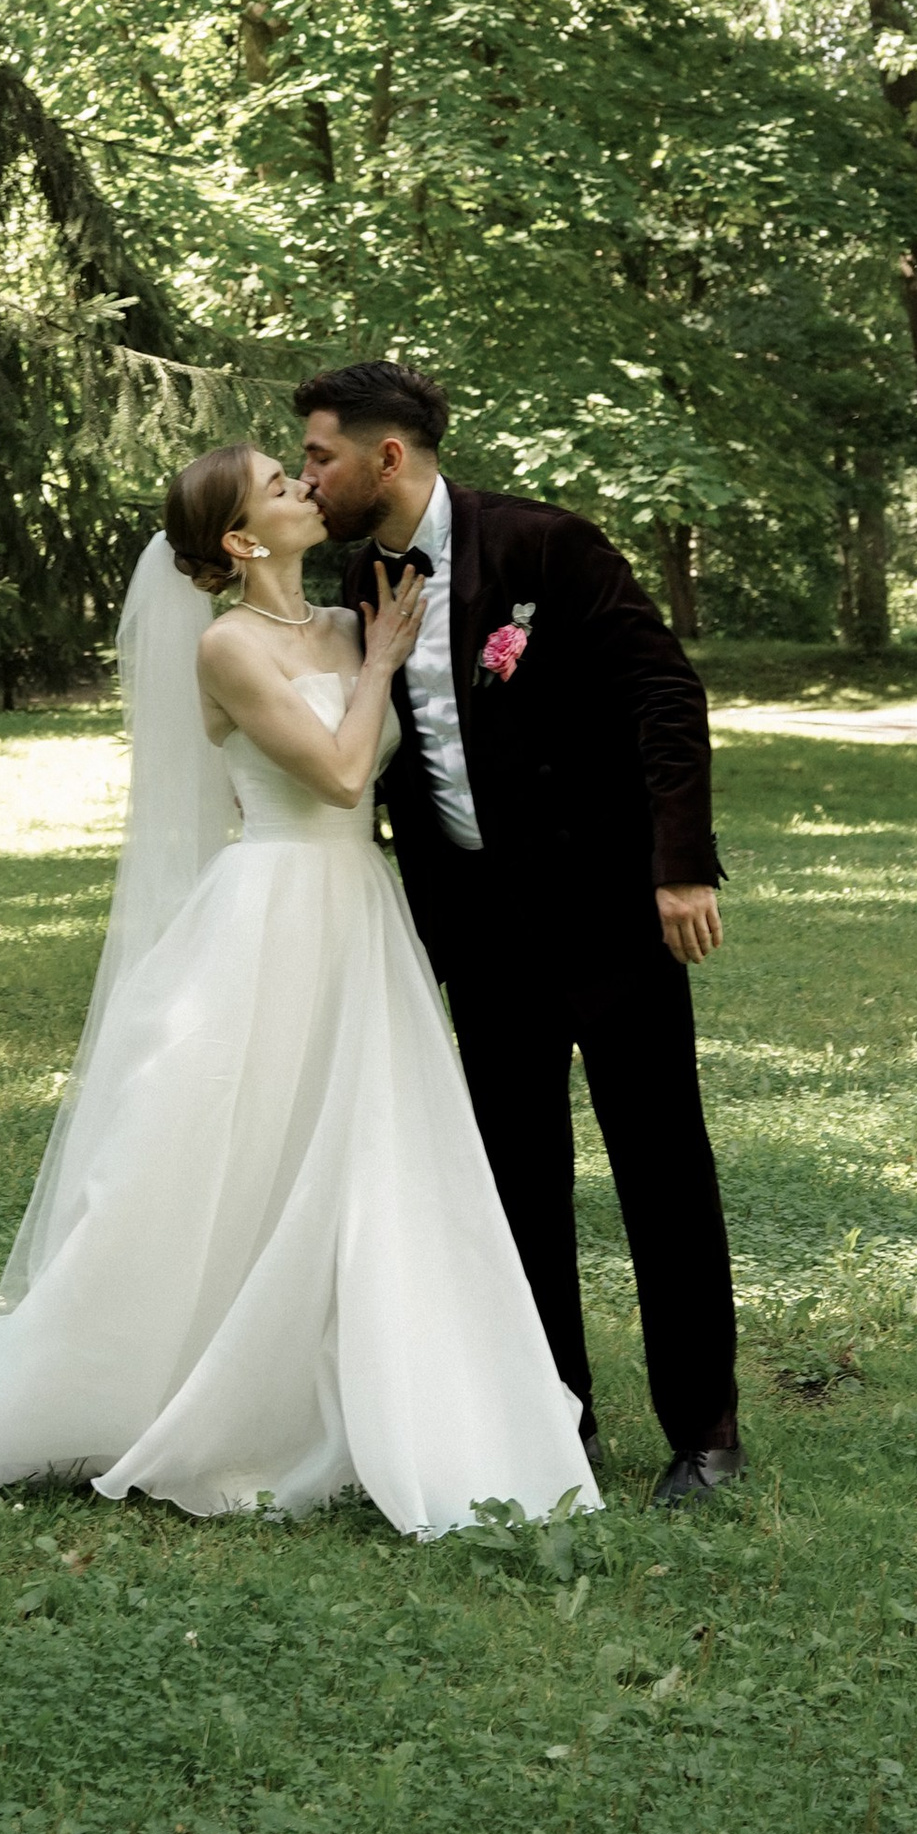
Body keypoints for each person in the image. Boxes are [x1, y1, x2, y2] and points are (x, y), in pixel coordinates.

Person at [0, 441, 599, 1535]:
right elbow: (340, 772)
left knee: (375, 1144)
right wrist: (375, 671)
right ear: (236, 539)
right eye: (280, 486)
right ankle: (193, 1377)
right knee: (240, 1148)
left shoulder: (354, 620)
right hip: (270, 910)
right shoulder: (227, 649)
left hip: (360, 911)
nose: (307, 489)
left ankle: (376, 1376)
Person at [295, 359, 742, 1504]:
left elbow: (663, 694)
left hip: (610, 917)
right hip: (476, 931)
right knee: (513, 1180)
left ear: (386, 457)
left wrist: (678, 866)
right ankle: (557, 1422)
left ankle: (704, 1434)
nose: (309, 476)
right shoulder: (356, 578)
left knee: (661, 1168)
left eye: (319, 456)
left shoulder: (546, 546)